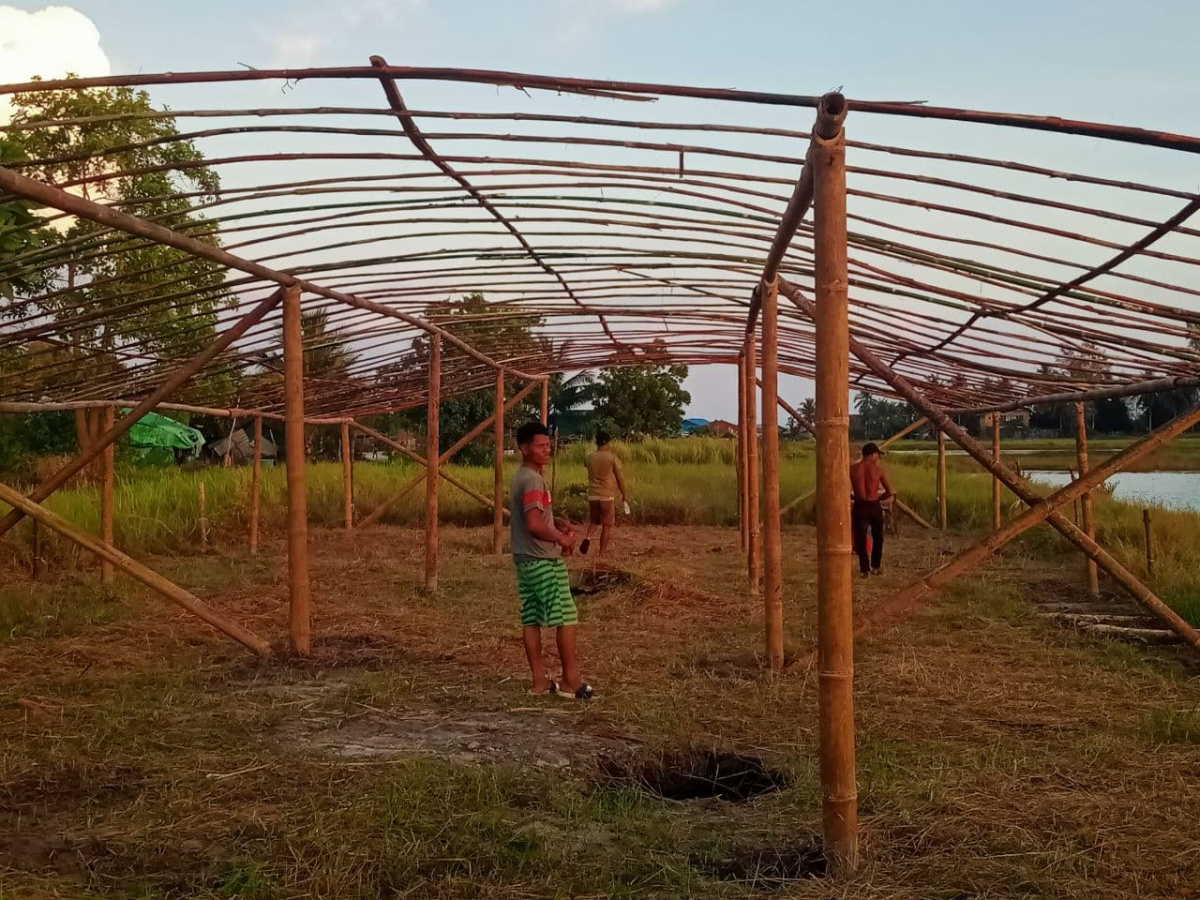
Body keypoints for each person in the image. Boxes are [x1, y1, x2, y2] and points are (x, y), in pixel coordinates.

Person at [510, 421, 594, 700]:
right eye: (540, 446)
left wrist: (553, 519)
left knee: (531, 618)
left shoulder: (523, 476)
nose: (547, 450)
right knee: (566, 616)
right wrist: (561, 537)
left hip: (525, 558)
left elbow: (532, 516)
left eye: (548, 445)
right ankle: (570, 680)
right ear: (524, 448)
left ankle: (539, 682)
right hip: (542, 559)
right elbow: (534, 524)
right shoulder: (534, 479)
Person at [580, 430, 629, 557]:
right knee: (607, 525)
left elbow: (587, 466)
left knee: (594, 521)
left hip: (593, 494)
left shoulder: (589, 457)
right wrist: (624, 494)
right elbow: (620, 479)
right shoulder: (612, 458)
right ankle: (601, 554)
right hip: (607, 495)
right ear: (607, 443)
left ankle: (588, 538)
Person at [849, 442, 894, 577]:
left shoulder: (852, 469)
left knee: (860, 538)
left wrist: (853, 496)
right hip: (874, 505)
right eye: (877, 455)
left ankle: (864, 570)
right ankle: (876, 566)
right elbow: (890, 491)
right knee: (878, 537)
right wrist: (879, 499)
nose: (878, 458)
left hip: (859, 505)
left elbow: (842, 487)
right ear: (872, 454)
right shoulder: (878, 470)